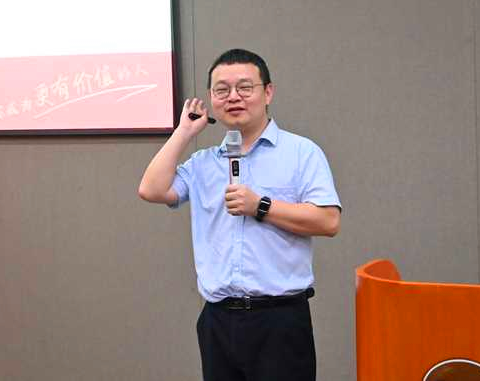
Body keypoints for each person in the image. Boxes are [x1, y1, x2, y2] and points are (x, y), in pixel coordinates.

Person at [138, 48, 341, 381]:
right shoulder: (203, 162)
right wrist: (184, 132)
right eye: (222, 90)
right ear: (211, 99)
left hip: (279, 320)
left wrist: (261, 206)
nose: (233, 97)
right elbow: (151, 189)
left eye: (245, 87)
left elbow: (328, 221)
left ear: (268, 92)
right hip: (218, 320)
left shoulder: (301, 152)